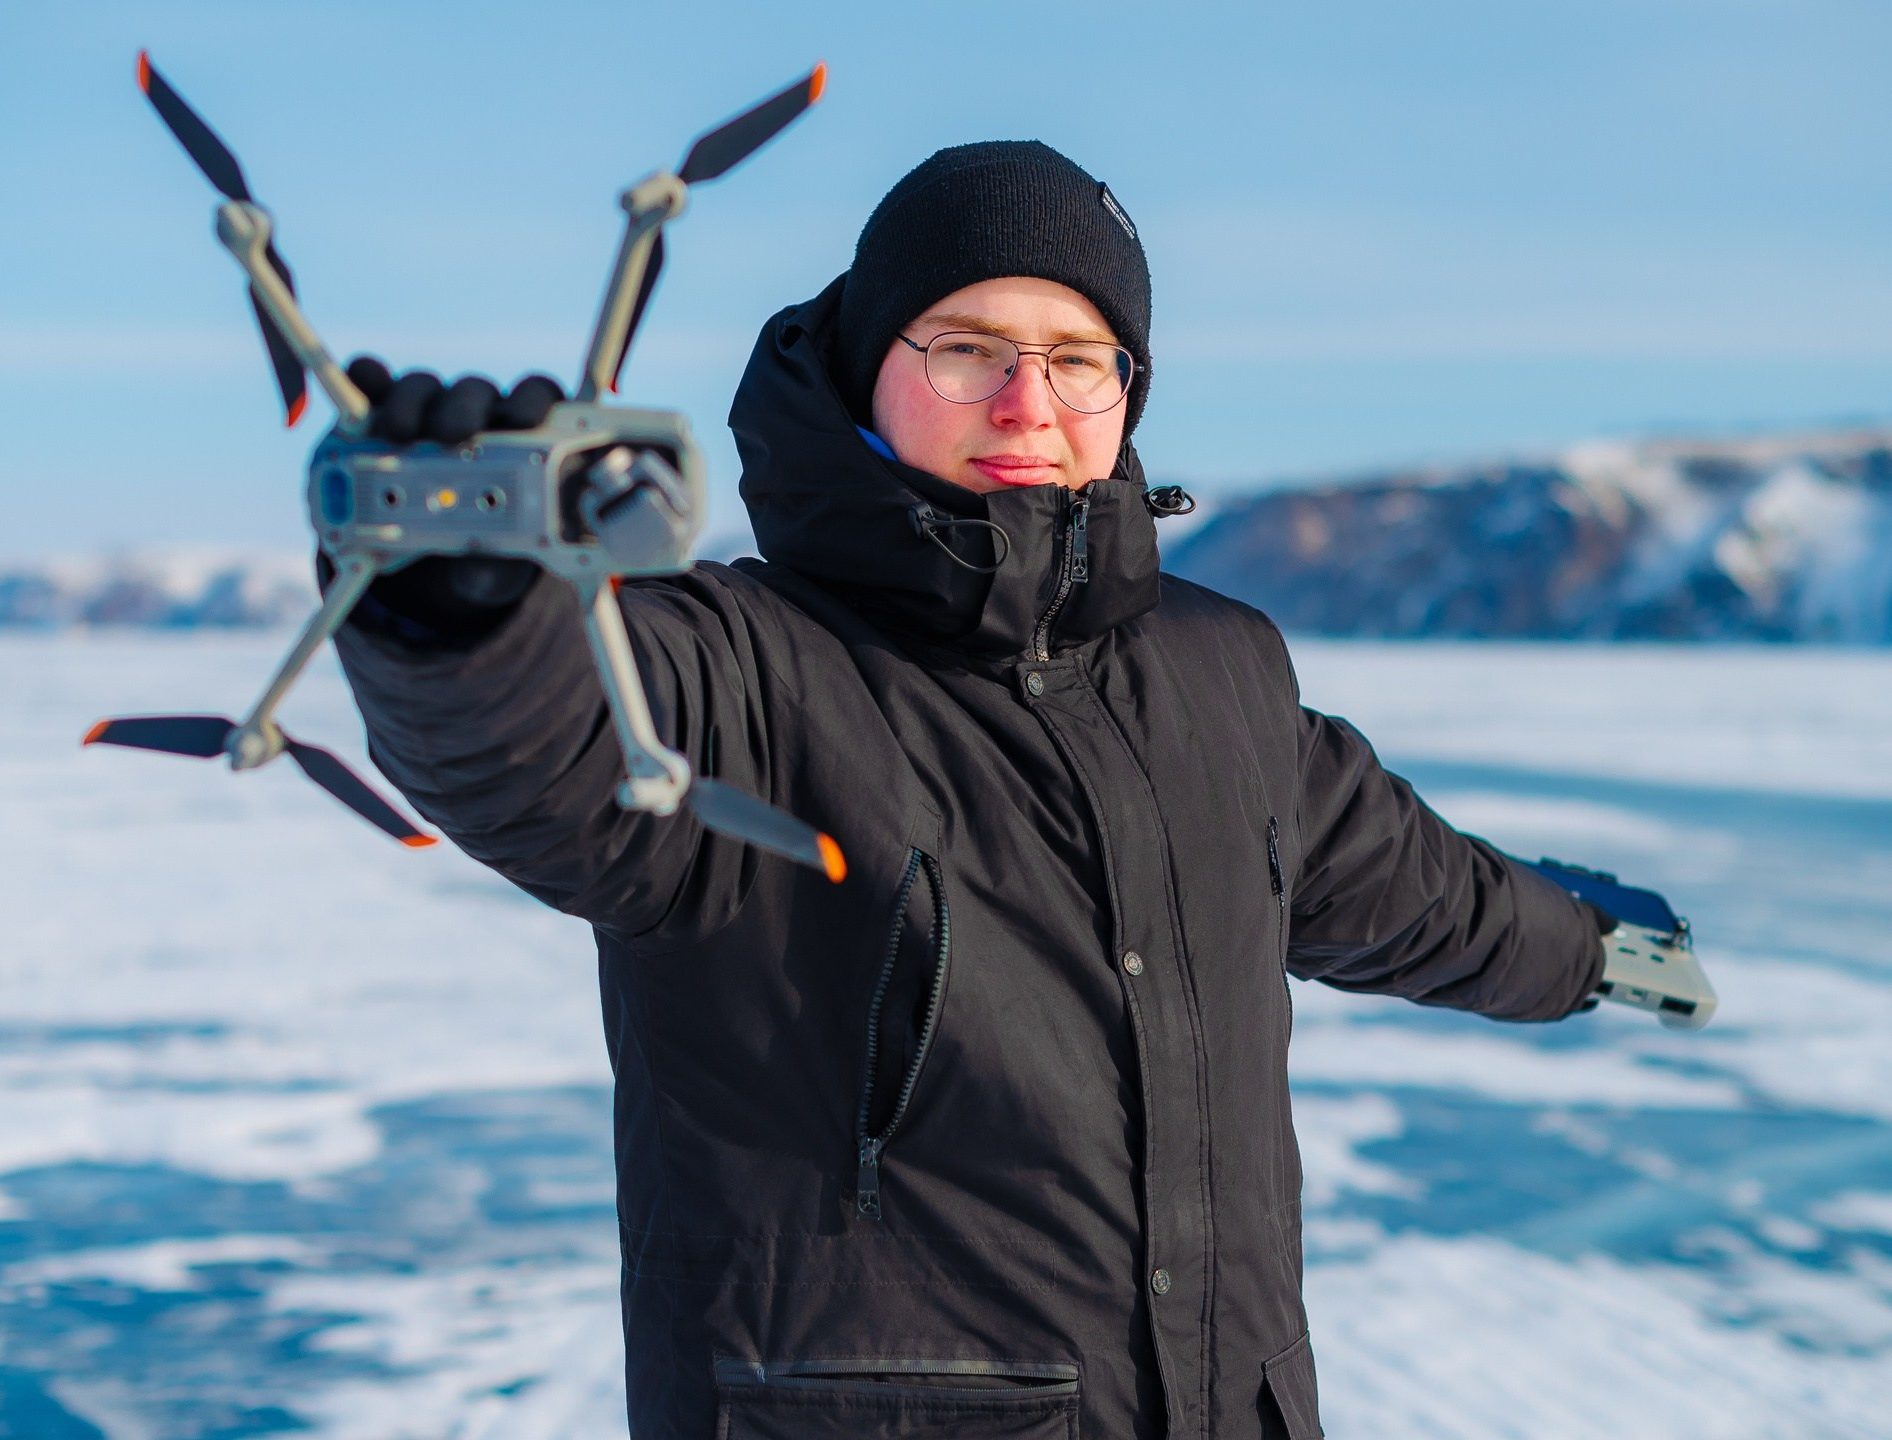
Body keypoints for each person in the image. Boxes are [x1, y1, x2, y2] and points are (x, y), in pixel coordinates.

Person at [327, 141, 1605, 1440]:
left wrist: (1594, 949)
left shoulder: (1220, 672)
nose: (1024, 403)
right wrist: (460, 620)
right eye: (964, 347)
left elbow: (1416, 890)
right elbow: (537, 751)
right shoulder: (738, 669)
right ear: (867, 368)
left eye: (1077, 357)